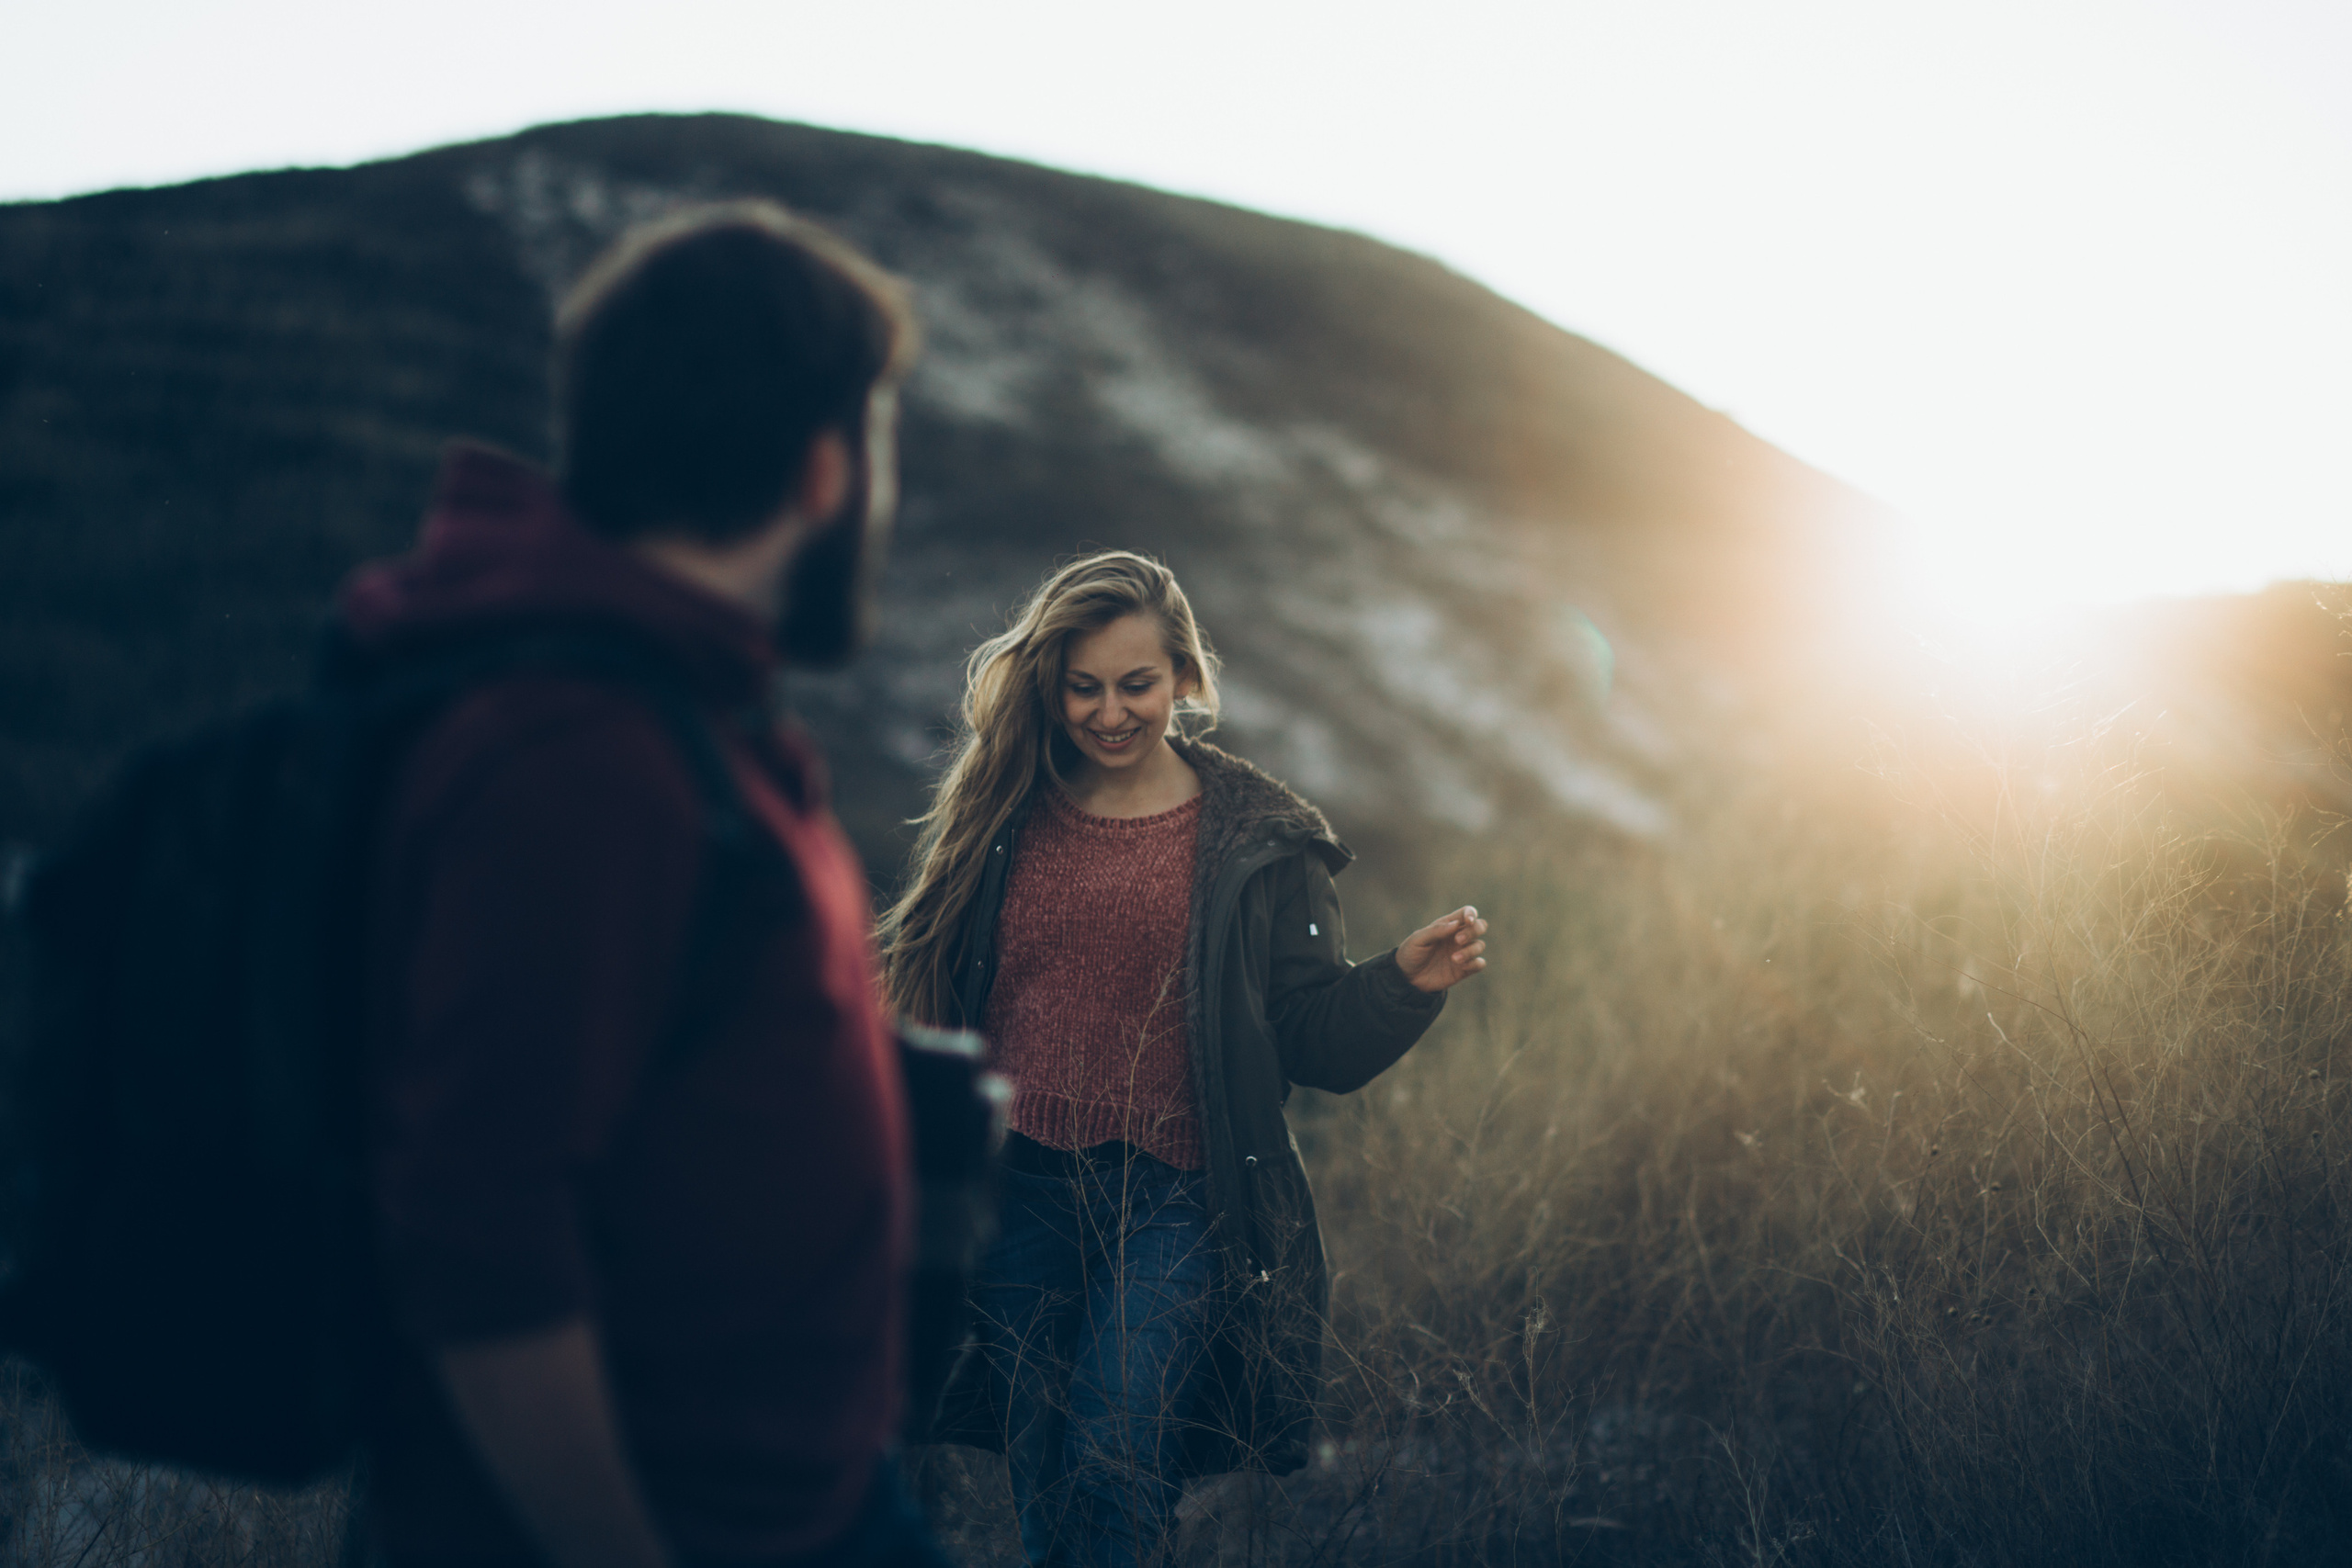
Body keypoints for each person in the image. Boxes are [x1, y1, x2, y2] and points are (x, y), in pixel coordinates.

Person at [342, 201, 941, 1568]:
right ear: (820, 470)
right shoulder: (581, 754)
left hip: (799, 1498)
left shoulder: (670, 710)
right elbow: (480, 1233)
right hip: (677, 1527)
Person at [879, 552, 1488, 1568]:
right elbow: (933, 990)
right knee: (1042, 1463)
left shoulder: (1262, 841)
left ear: (1185, 679)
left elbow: (1308, 1041)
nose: (1109, 712)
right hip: (1016, 1189)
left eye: (1137, 684)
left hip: (1178, 1197)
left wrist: (1398, 983)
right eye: (1083, 686)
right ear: (1050, 684)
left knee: (1118, 1448)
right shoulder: (1002, 813)